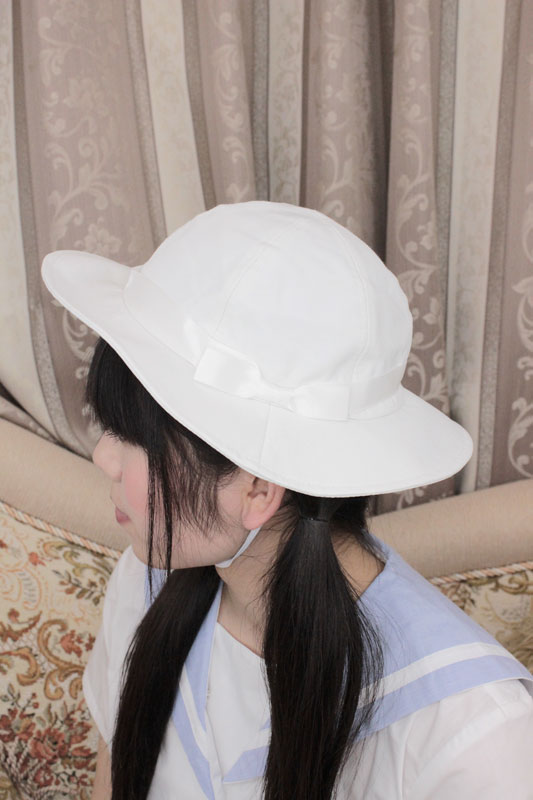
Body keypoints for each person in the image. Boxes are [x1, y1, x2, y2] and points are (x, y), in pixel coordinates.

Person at [42, 202, 533, 800]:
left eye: (134, 436)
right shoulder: (144, 584)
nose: (103, 457)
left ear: (257, 490)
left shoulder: (469, 737)